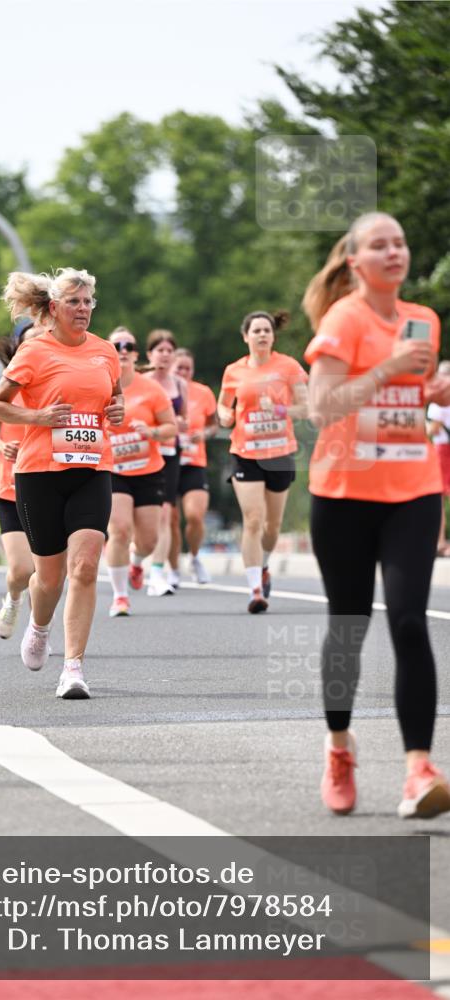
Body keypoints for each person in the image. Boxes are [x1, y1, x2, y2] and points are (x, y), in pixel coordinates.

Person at [303, 211, 450, 820]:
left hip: (413, 488)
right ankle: (340, 747)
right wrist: (389, 369)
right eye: (379, 245)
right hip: (344, 495)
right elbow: (322, 406)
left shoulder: (425, 319)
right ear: (356, 262)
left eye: (400, 242)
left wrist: (433, 388)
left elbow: (406, 403)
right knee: (349, 626)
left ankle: (419, 769)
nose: (394, 252)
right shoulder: (345, 319)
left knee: (411, 622)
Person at [0, 268, 124, 699]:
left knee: (84, 567)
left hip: (92, 468)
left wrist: (117, 412)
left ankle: (74, 669)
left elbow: (112, 398)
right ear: (55, 308)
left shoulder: (105, 352)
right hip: (39, 472)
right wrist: (38, 418)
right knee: (48, 578)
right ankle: (39, 626)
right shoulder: (35, 352)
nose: (83, 310)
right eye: (75, 303)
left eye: (89, 302)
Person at [218, 311, 308, 613]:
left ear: (273, 336)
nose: (261, 335)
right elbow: (223, 404)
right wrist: (224, 415)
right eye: (255, 330)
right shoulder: (234, 371)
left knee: (273, 525)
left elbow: (305, 409)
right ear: (246, 336)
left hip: (280, 452)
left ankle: (264, 565)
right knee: (253, 519)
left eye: (266, 330)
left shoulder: (288, 367)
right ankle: (255, 590)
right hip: (245, 452)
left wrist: (280, 410)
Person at [104, 327, 176, 617]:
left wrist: (152, 431)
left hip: (148, 470)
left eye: (128, 345)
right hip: (113, 469)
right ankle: (120, 596)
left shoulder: (151, 390)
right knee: (119, 529)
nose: (122, 350)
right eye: (116, 345)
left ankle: (137, 562)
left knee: (148, 540)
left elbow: (171, 428)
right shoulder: (99, 386)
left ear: (135, 354)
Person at [0, 317, 40, 639]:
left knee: (47, 573)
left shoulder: (59, 381)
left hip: (52, 488)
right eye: (30, 340)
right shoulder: (8, 387)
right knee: (21, 570)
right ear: (18, 346)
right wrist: (3, 447)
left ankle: (39, 627)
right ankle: (14, 599)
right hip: (13, 488)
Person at [144, 329, 188, 596]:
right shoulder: (142, 382)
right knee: (144, 519)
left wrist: (179, 424)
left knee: (166, 511)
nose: (165, 355)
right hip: (144, 454)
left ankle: (157, 572)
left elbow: (185, 418)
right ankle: (137, 560)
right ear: (150, 354)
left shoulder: (179, 384)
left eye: (169, 350)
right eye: (159, 350)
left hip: (170, 452)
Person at [170, 348, 218, 585]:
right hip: (168, 461)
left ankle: (195, 556)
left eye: (187, 368)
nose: (183, 372)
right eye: (179, 367)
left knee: (195, 515)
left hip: (194, 461)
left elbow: (214, 425)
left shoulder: (203, 392)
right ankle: (173, 568)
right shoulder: (163, 391)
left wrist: (204, 434)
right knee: (171, 518)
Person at [426, 359, 450, 556]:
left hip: (443, 449)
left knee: (439, 497)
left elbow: (433, 428)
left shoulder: (439, 397)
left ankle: (440, 541)